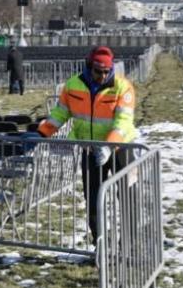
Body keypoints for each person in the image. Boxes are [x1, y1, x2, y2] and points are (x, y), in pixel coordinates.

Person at [36, 46, 137, 243]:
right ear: (89, 67)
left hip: (120, 149)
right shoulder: (73, 85)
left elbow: (123, 122)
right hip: (90, 149)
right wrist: (42, 132)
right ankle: (99, 243)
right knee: (92, 198)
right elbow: (61, 113)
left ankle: (129, 244)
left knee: (127, 196)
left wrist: (109, 146)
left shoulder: (123, 87)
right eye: (98, 71)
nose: (103, 75)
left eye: (107, 71)